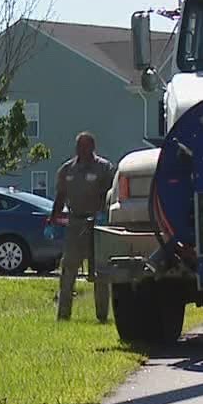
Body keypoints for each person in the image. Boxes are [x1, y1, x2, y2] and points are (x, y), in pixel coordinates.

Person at [49, 131, 116, 321]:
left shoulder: (104, 168)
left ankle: (102, 315)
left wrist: (106, 215)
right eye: (79, 146)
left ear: (93, 148)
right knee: (68, 268)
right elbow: (60, 196)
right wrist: (52, 220)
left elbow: (112, 194)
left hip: (98, 223)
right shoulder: (67, 170)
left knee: (100, 271)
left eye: (86, 147)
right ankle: (63, 315)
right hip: (75, 223)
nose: (82, 150)